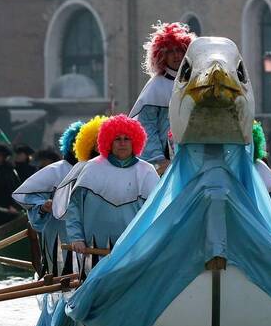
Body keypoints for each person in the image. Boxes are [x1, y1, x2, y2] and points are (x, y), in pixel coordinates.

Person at [65, 114, 159, 259]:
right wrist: (76, 238)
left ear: (135, 141)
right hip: (93, 252)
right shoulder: (92, 168)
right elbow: (75, 207)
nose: (122, 143)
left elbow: (156, 213)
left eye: (127, 138)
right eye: (117, 139)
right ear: (109, 141)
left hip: (133, 252)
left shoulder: (147, 171)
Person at [13, 120, 82, 276]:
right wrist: (43, 205)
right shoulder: (55, 171)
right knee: (61, 267)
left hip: (92, 238)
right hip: (59, 235)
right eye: (77, 142)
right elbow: (29, 196)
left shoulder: (99, 169)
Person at [129, 21, 193, 169]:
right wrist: (158, 160)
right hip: (165, 160)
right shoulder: (155, 87)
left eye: (180, 50)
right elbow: (147, 127)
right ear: (161, 55)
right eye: (170, 51)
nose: (176, 55)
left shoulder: (196, 82)